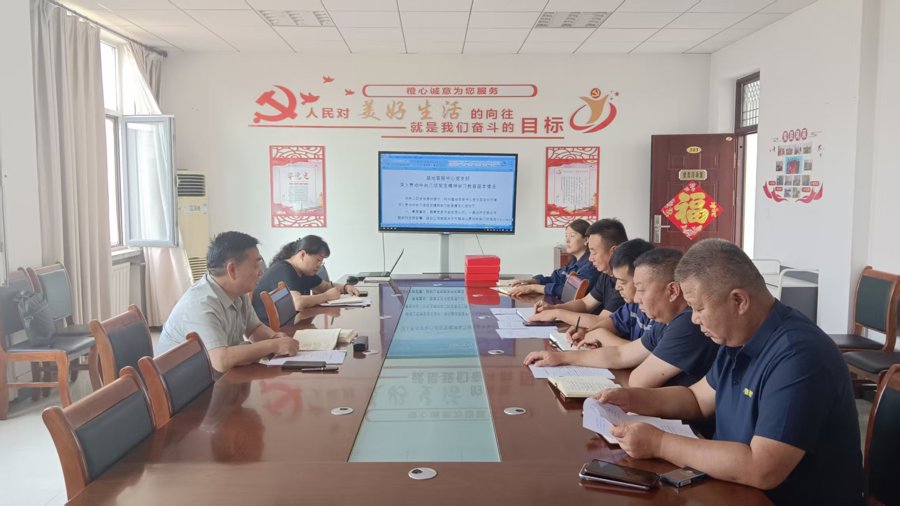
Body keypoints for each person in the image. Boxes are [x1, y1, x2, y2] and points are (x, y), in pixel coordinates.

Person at [596, 239, 863, 505]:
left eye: (699, 308)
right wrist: (633, 398)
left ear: (739, 300)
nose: (694, 319)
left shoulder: (799, 355)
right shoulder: (737, 337)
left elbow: (762, 468)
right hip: (729, 485)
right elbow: (696, 399)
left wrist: (659, 443)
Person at [525, 248, 718, 388]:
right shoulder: (666, 321)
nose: (636, 298)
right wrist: (560, 357)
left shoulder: (687, 323)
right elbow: (620, 354)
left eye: (641, 290)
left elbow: (639, 380)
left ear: (673, 291)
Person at [157, 231, 300, 374]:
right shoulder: (200, 305)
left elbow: (254, 328)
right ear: (232, 270)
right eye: (255, 265)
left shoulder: (238, 292)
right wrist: (273, 345)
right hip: (190, 382)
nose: (261, 272)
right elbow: (220, 361)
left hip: (217, 375)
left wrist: (274, 337)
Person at [528, 218, 627, 327]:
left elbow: (602, 321)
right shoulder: (606, 275)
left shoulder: (625, 282)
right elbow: (585, 303)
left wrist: (557, 313)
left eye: (594, 252)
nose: (590, 258)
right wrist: (553, 308)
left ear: (613, 251)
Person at [568, 238, 656, 348]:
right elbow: (613, 323)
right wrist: (586, 333)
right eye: (616, 279)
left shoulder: (662, 314)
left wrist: (599, 335)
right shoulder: (632, 305)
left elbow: (643, 351)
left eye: (622, 281)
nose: (617, 287)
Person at [252, 235, 359, 326]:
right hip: (270, 328)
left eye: (321, 262)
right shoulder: (284, 269)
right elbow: (297, 303)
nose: (319, 265)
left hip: (290, 321)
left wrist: (346, 287)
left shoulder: (304, 272)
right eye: (317, 260)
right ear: (303, 255)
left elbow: (325, 286)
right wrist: (327, 296)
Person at [507, 219, 599, 298]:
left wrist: (534, 288)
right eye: (566, 236)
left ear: (586, 240)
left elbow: (571, 292)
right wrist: (529, 282)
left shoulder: (591, 264)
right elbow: (555, 278)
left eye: (572, 236)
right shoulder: (574, 261)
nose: (567, 240)